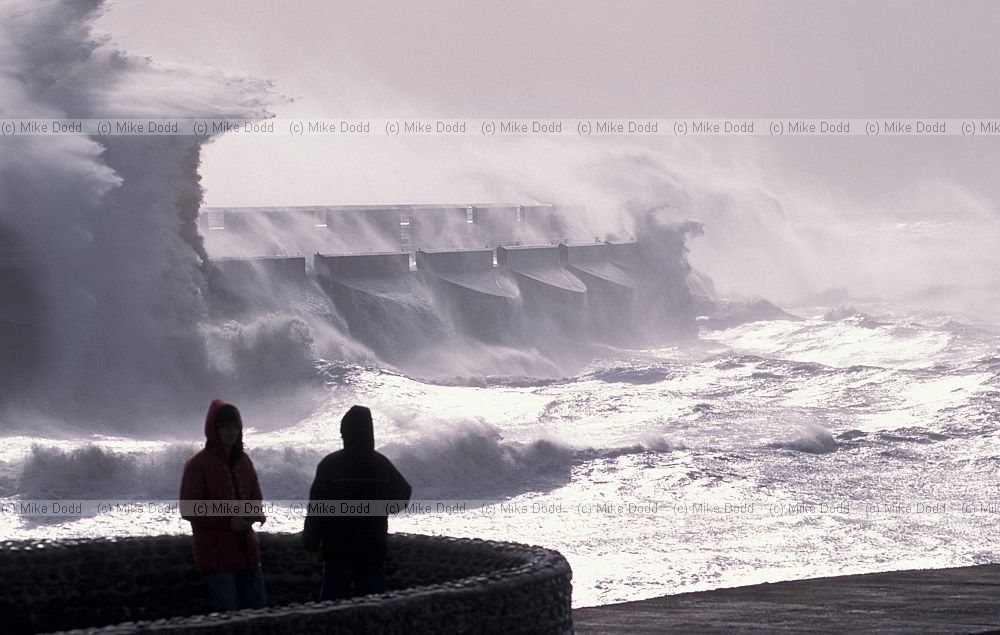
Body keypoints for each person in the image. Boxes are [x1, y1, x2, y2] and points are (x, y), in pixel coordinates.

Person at [303, 405, 412, 600]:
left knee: (332, 609)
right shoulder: (381, 464)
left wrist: (310, 544)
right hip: (373, 549)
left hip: (338, 550)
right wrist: (382, 510)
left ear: (345, 432)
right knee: (373, 609)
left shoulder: (331, 464)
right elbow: (404, 492)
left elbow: (317, 509)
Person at [180, 399, 267, 612]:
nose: (231, 432)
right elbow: (189, 508)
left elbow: (255, 495)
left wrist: (256, 512)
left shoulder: (244, 460)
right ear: (213, 430)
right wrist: (229, 522)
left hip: (248, 553)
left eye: (235, 427)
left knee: (259, 614)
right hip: (217, 557)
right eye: (225, 427)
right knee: (228, 618)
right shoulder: (198, 464)